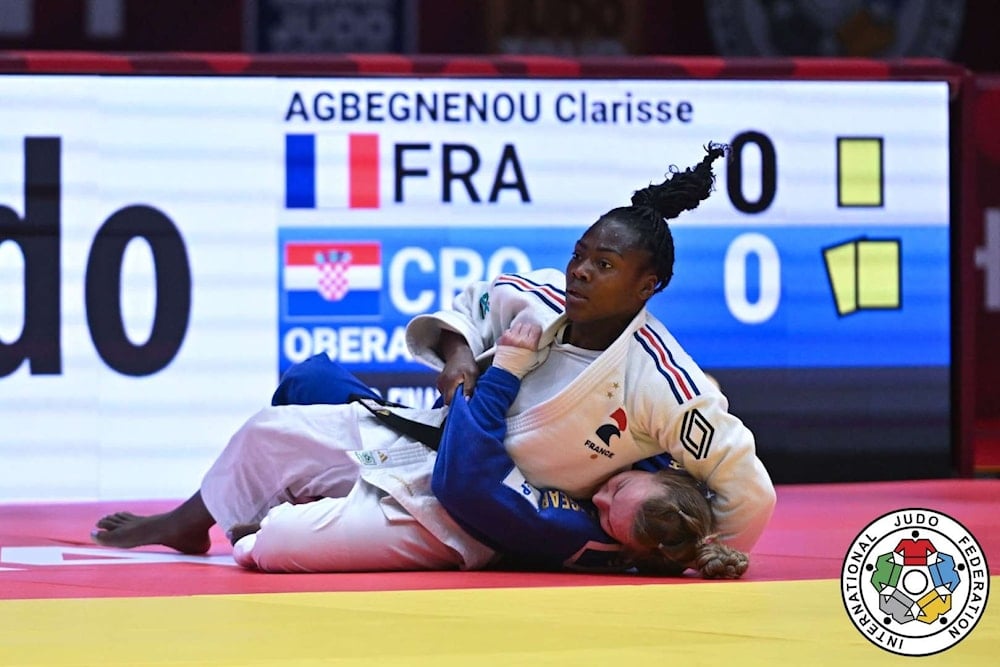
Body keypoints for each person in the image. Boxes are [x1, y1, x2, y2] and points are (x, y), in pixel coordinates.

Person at [93, 322, 748, 578]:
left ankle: (203, 516)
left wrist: (500, 374)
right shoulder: (653, 447)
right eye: (616, 486)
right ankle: (240, 499)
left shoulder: (585, 534)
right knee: (312, 378)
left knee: (274, 477)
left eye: (605, 509)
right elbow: (473, 316)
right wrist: (466, 352)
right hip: (436, 428)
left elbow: (466, 480)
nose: (599, 490)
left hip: (442, 491)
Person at [405, 142, 776, 554]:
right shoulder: (539, 295)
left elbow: (751, 494)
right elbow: (468, 313)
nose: (580, 272)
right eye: (579, 255)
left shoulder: (666, 384)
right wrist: (459, 354)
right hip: (440, 454)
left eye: (605, 265)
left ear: (646, 286)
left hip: (511, 515)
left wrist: (673, 553)